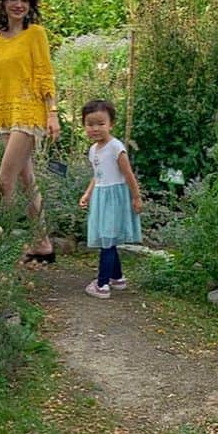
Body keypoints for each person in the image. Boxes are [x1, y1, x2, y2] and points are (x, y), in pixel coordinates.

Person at [0, 0, 60, 261]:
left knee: (4, 180)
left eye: (25, 0)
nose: (19, 5)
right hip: (5, 115)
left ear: (30, 5)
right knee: (26, 181)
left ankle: (4, 245)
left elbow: (45, 75)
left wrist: (53, 113)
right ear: (4, 3)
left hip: (29, 113)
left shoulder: (36, 35)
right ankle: (43, 244)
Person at [78, 98, 142, 298]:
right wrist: (88, 194)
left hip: (114, 199)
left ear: (111, 124)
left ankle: (102, 284)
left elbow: (128, 174)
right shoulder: (93, 150)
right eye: (90, 124)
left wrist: (136, 197)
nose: (95, 129)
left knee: (107, 239)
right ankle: (117, 278)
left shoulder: (116, 147)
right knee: (108, 238)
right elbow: (98, 175)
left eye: (101, 124)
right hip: (100, 197)